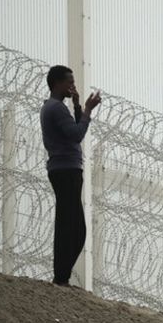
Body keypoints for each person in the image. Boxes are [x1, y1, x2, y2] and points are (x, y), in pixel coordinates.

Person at [40, 65, 102, 286]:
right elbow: (76, 135)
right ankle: (61, 277)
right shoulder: (55, 108)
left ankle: (62, 275)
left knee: (74, 227)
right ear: (57, 83)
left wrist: (77, 106)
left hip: (66, 169)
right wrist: (87, 110)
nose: (73, 86)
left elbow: (73, 130)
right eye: (70, 82)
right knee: (71, 227)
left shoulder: (56, 107)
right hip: (65, 170)